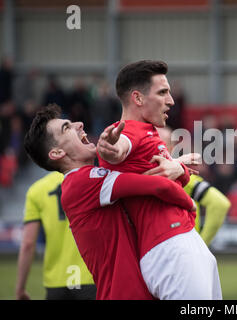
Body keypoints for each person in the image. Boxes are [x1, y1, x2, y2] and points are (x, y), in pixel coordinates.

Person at [23, 104, 196, 300]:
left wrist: (177, 166)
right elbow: (158, 186)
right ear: (56, 153)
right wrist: (191, 204)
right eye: (66, 128)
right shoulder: (83, 181)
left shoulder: (81, 182)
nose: (79, 124)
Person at [97, 60, 222, 300]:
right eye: (163, 92)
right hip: (171, 248)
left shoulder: (149, 132)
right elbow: (118, 147)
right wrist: (109, 148)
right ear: (138, 98)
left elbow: (167, 175)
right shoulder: (127, 130)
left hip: (182, 241)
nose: (171, 100)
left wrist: (180, 167)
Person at [16, 171, 96, 300]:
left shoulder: (36, 189)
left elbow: (28, 244)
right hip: (92, 276)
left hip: (56, 281)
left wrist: (20, 288)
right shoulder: (92, 179)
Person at [157, 126, 231, 246]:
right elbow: (220, 204)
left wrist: (201, 245)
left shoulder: (181, 177)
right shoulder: (182, 177)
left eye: (159, 145)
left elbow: (220, 204)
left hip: (173, 253)